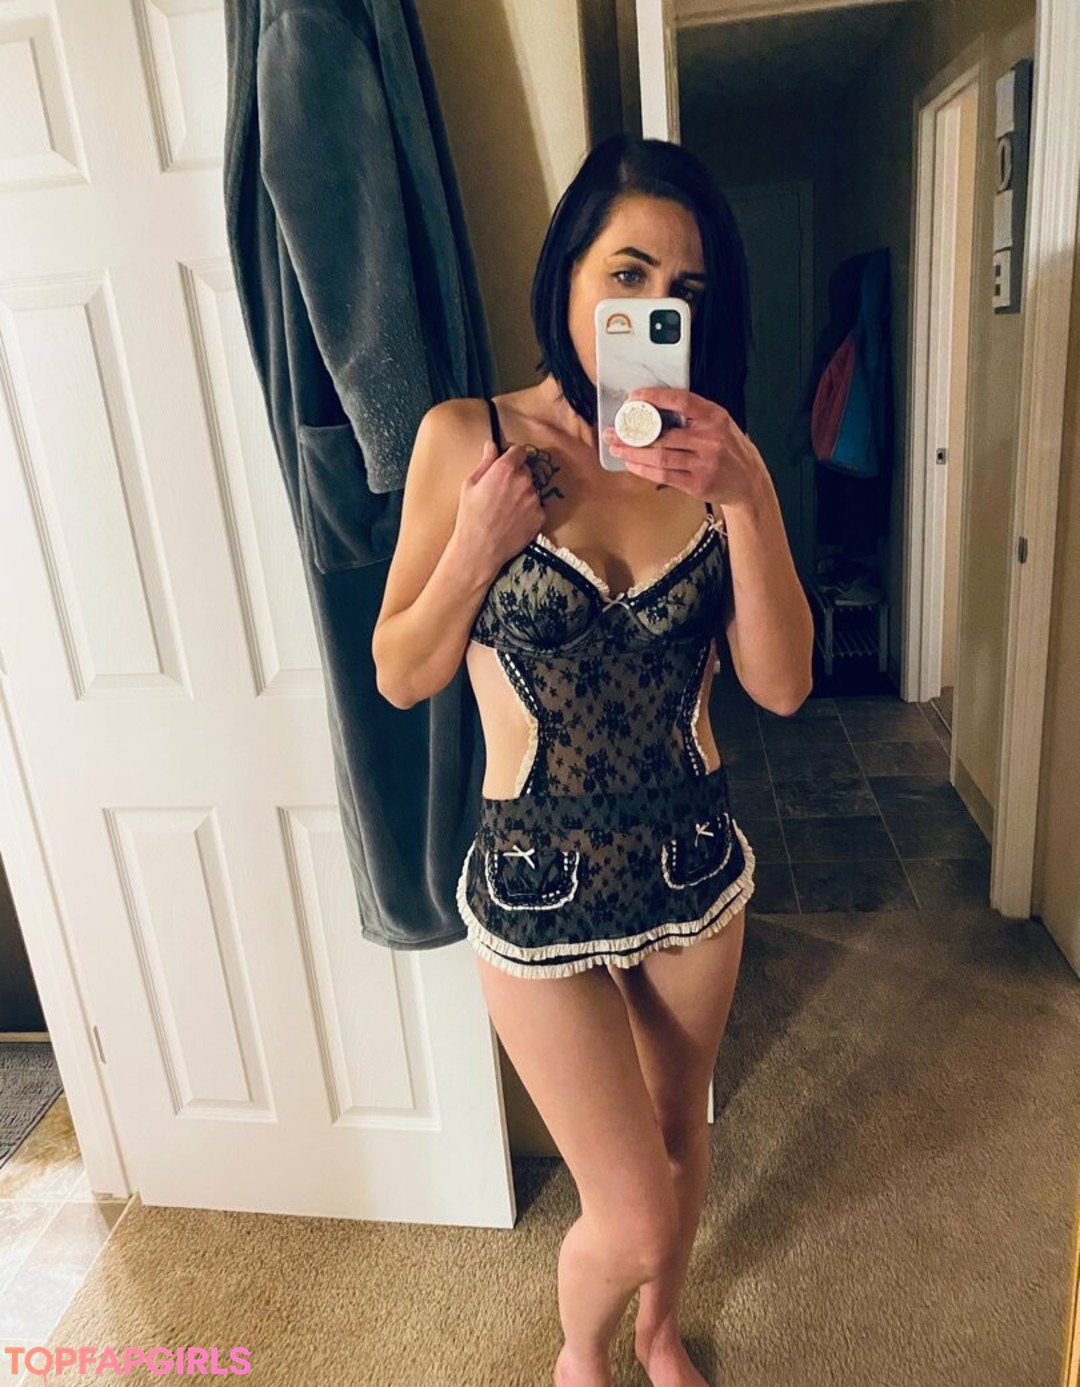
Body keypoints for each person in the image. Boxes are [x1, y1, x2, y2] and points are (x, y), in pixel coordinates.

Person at [372, 134, 813, 1387]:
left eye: (685, 293)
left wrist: (748, 497)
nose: (654, 310)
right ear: (566, 273)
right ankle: (581, 1353)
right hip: (534, 885)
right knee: (632, 1212)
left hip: (690, 867)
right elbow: (401, 670)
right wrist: (478, 544)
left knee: (681, 1133)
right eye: (627, 274)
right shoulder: (467, 438)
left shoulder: (717, 458)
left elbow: (782, 684)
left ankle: (660, 1334)